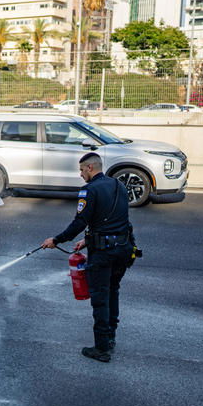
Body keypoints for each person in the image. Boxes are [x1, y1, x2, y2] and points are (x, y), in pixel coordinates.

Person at [41, 152, 132, 363]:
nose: (81, 174)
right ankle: (110, 338)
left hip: (104, 253)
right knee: (113, 292)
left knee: (100, 298)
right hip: (123, 248)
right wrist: (87, 240)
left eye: (82, 170)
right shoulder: (119, 185)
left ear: (90, 168)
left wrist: (56, 240)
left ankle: (101, 349)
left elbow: (80, 222)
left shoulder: (89, 190)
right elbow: (114, 220)